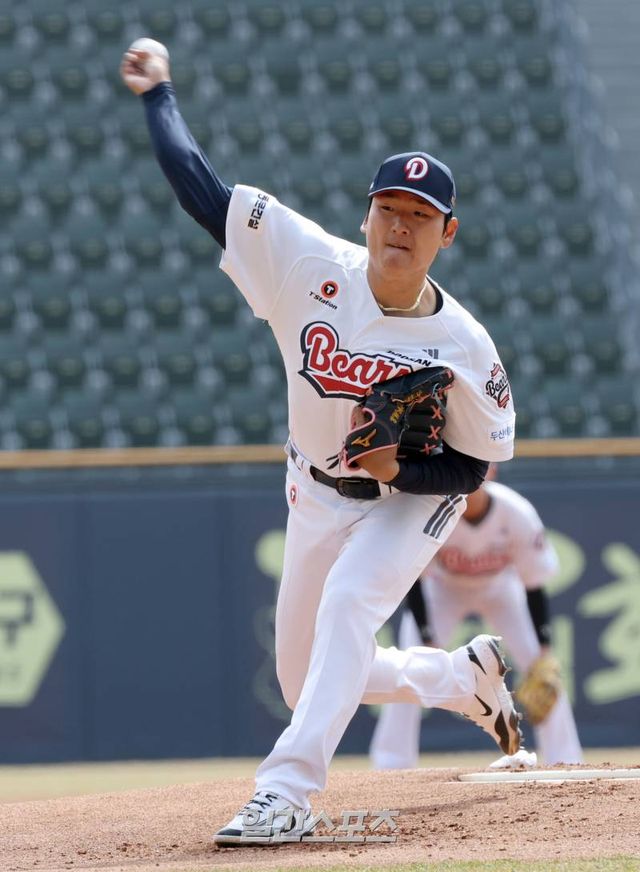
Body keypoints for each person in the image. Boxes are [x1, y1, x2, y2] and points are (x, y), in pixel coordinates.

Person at [120, 43, 520, 846]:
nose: (400, 225)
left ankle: (287, 791)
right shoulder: (307, 264)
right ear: (365, 215)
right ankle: (462, 678)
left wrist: (402, 467)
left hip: (410, 499)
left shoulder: (466, 346)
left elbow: (477, 465)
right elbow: (203, 192)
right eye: (388, 208)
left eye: (420, 216)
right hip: (311, 488)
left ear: (447, 232)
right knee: (301, 677)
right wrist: (158, 94)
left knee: (349, 604)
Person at [370, 470, 583, 770]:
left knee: (544, 672)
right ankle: (391, 763)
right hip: (443, 591)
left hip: (500, 590)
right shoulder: (434, 509)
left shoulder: (516, 512)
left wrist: (544, 648)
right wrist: (427, 637)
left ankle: (567, 759)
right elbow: (414, 580)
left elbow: (534, 584)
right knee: (409, 663)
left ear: (490, 471)